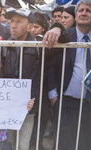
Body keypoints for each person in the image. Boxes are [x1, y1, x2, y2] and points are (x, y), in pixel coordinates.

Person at [3, 7, 70, 150]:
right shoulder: (4, 45)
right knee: (8, 144)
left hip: (29, 109)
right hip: (7, 106)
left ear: (30, 27)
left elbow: (65, 40)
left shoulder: (40, 46)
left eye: (19, 22)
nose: (13, 25)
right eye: (12, 21)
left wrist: (57, 28)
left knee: (23, 146)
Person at [45, 0, 91, 149]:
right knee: (64, 145)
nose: (84, 13)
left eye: (88, 10)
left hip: (89, 105)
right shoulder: (64, 37)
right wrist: (54, 97)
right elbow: (50, 67)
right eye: (81, 10)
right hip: (66, 103)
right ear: (76, 15)